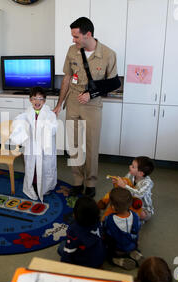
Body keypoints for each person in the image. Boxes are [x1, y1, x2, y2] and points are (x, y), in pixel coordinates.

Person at [53, 17, 121, 198]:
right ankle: (77, 181)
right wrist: (59, 104)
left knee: (91, 145)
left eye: (76, 36)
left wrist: (92, 93)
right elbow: (67, 78)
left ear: (88, 34)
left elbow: (114, 83)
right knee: (74, 145)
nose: (73, 40)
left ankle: (90, 183)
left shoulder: (108, 54)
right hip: (73, 102)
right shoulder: (72, 51)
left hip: (92, 105)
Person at [9, 86, 58, 201]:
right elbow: (18, 122)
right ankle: (34, 183)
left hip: (44, 147)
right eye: (34, 98)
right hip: (32, 146)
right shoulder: (27, 113)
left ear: (44, 101)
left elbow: (53, 127)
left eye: (40, 99)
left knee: (46, 166)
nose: (37, 101)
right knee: (33, 166)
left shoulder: (49, 114)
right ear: (30, 100)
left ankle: (46, 186)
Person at [102, 156, 155, 222]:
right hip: (129, 201)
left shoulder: (148, 183)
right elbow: (125, 182)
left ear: (140, 173)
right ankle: (125, 214)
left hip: (143, 207)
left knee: (142, 215)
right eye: (131, 165)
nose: (130, 166)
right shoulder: (131, 174)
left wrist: (124, 186)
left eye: (133, 167)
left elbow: (139, 194)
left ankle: (129, 216)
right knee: (118, 202)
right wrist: (118, 182)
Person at [102, 187, 144, 270]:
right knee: (132, 241)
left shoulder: (109, 219)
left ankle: (116, 260)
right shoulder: (135, 216)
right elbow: (138, 228)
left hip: (118, 249)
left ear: (113, 207)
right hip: (132, 244)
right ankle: (135, 253)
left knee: (106, 250)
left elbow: (105, 230)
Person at [58, 196, 105, 268]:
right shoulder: (99, 221)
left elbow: (68, 251)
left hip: (85, 264)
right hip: (99, 256)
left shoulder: (73, 230)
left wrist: (63, 266)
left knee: (61, 247)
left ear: (75, 214)